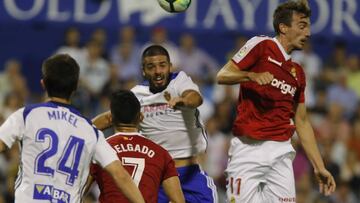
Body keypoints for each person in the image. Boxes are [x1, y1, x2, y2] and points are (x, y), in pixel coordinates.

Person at [216, 1, 336, 202]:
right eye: (302, 25)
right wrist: (251, 75)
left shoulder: (298, 73)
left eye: (308, 26)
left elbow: (302, 122)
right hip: (248, 150)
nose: (308, 33)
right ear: (283, 27)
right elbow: (223, 75)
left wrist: (319, 166)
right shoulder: (262, 45)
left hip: (281, 151)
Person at [0, 54, 145, 203]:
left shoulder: (26, 115)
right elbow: (120, 175)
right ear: (75, 87)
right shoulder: (89, 130)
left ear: (43, 83)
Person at [94, 45, 218, 203]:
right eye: (151, 67)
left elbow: (195, 98)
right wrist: (82, 127)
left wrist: (183, 101)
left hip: (189, 173)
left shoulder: (179, 81)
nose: (158, 71)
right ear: (144, 70)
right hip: (157, 176)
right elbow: (109, 118)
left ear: (170, 66)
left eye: (162, 65)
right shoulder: (137, 94)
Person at [89, 90, 185, 203]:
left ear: (110, 119)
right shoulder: (161, 153)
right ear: (140, 117)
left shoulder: (100, 150)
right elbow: (178, 201)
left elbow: (77, 192)